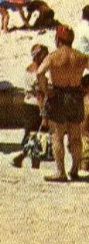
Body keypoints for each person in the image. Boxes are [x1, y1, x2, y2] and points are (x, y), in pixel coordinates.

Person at [38, 23, 88, 182]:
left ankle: (60, 171)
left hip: (58, 95)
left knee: (57, 136)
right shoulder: (80, 56)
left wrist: (46, 90)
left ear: (58, 39)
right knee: (75, 136)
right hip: (75, 96)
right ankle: (74, 169)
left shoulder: (53, 56)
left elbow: (40, 73)